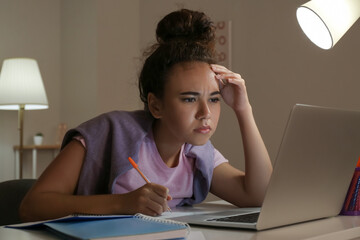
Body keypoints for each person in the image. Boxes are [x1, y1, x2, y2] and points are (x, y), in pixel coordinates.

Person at [19, 8, 272, 222]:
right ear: (155, 105)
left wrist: (243, 109)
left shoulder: (198, 155)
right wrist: (122, 204)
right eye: (189, 99)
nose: (206, 113)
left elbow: (258, 195)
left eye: (214, 99)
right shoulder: (108, 133)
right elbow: (32, 207)